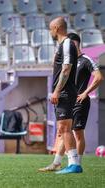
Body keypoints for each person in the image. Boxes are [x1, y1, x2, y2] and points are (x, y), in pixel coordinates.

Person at [39, 33, 104, 172]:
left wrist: (86, 93)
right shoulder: (66, 60)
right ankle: (57, 162)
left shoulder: (86, 60)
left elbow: (99, 77)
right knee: (62, 131)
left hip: (80, 100)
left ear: (75, 44)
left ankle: (77, 163)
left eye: (70, 43)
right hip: (68, 99)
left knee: (77, 132)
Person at [44, 17, 82, 174]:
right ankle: (65, 163)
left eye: (51, 29)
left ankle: (74, 164)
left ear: (57, 28)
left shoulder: (67, 44)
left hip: (65, 92)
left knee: (65, 127)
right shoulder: (62, 45)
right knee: (63, 128)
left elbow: (66, 69)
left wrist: (58, 91)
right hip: (64, 92)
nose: (50, 32)